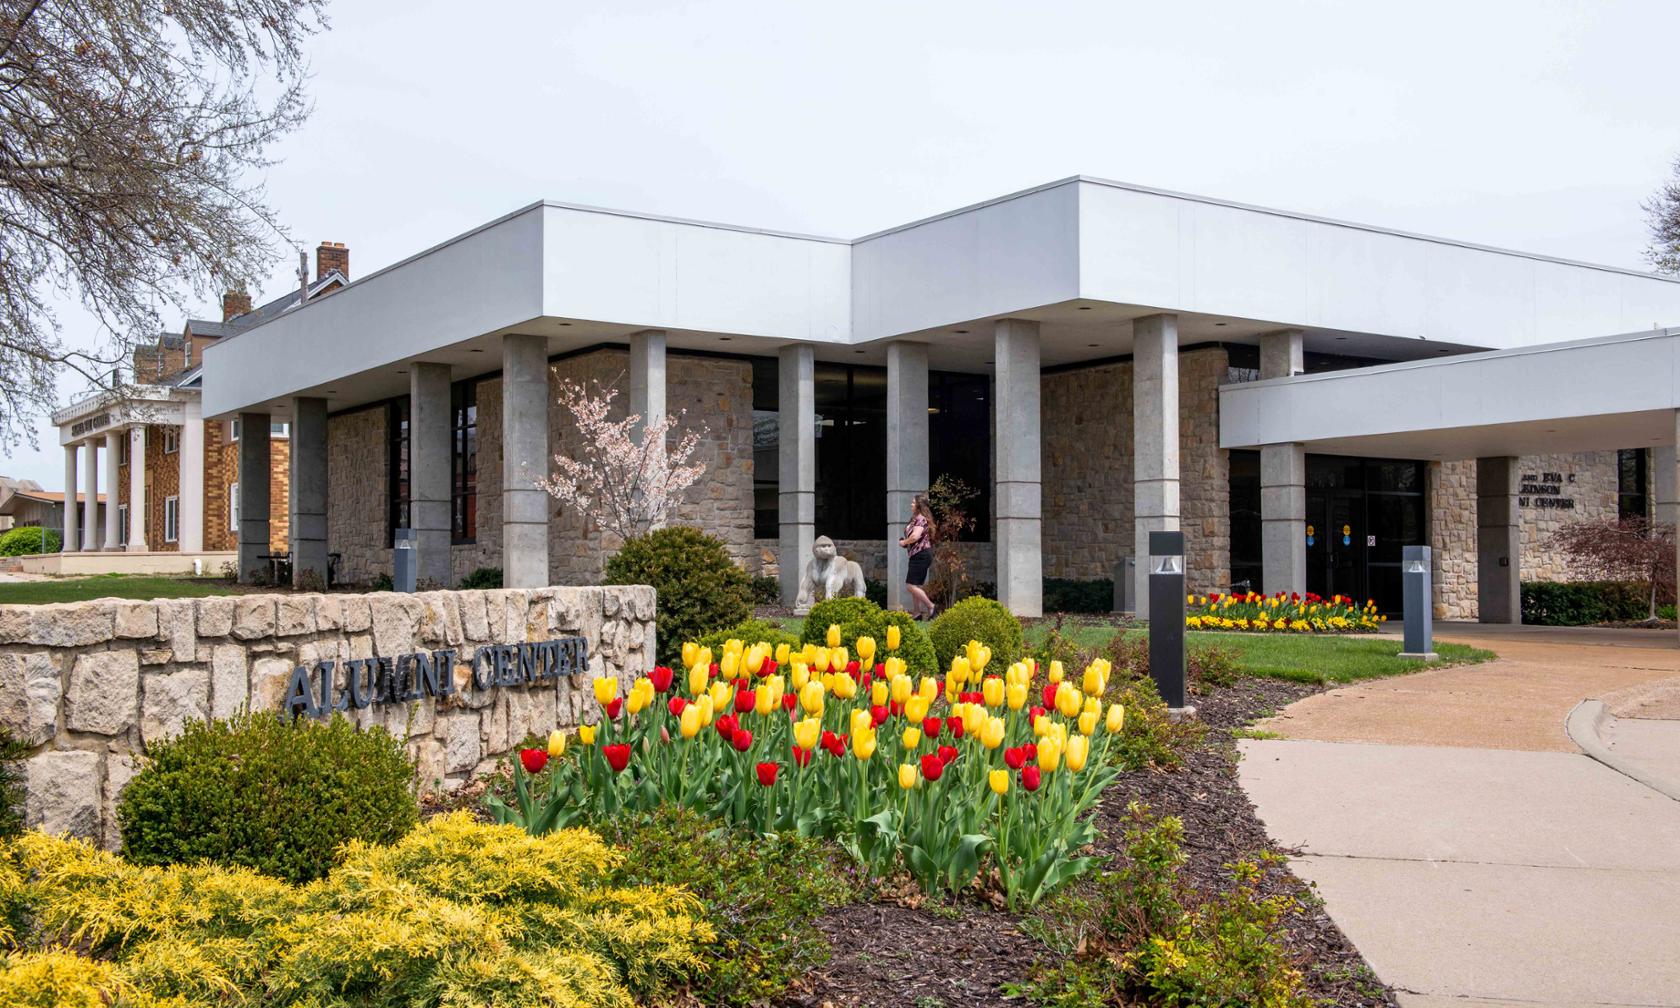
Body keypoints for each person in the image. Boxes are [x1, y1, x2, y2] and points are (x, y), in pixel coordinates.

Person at [899, 493, 936, 619]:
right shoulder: (916, 518)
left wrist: (904, 542)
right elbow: (913, 538)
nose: (911, 504)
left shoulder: (921, 519)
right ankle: (917, 613)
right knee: (916, 585)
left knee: (910, 586)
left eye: (913, 502)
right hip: (917, 554)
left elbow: (915, 536)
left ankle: (931, 606)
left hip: (921, 555)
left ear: (919, 505)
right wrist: (906, 543)